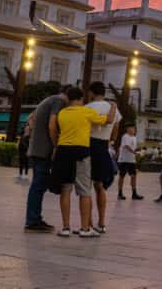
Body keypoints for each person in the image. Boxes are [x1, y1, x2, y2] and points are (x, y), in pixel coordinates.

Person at [49, 86, 116, 237]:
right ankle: (85, 228)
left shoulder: (62, 113)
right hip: (81, 152)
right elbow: (109, 120)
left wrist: (55, 145)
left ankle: (66, 228)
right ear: (81, 99)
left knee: (65, 190)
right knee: (85, 191)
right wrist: (113, 106)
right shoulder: (86, 111)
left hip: (63, 152)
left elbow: (54, 128)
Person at [25, 85, 70, 233]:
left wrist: (33, 133)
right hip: (43, 150)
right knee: (38, 186)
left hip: (36, 148)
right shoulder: (59, 101)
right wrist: (56, 145)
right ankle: (33, 221)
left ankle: (34, 219)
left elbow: (30, 118)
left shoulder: (47, 100)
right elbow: (52, 124)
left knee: (38, 185)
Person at [86, 82, 121, 234]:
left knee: (85, 188)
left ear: (92, 93)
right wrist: (110, 141)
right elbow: (115, 130)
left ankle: (88, 223)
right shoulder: (112, 108)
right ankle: (102, 223)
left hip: (88, 145)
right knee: (99, 186)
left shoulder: (88, 107)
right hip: (103, 146)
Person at [116, 124, 143, 200]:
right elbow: (127, 146)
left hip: (132, 160)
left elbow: (133, 147)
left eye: (134, 128)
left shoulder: (134, 138)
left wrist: (138, 150)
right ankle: (120, 193)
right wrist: (134, 152)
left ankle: (134, 194)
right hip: (124, 160)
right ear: (127, 129)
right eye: (131, 128)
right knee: (122, 176)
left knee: (134, 176)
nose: (133, 130)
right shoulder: (125, 136)